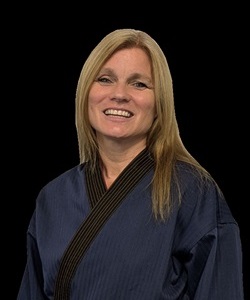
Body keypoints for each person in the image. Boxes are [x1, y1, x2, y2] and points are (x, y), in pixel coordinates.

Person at [17, 28, 244, 300]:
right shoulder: (52, 199)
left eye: (139, 84)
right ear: (86, 92)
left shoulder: (193, 193)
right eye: (105, 79)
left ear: (159, 103)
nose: (120, 94)